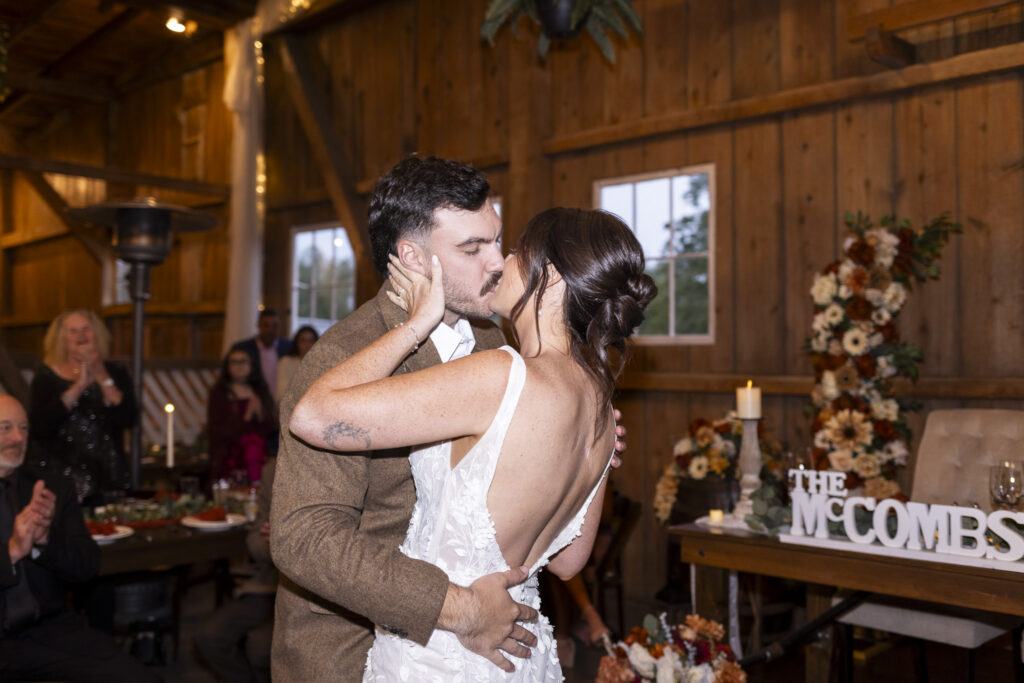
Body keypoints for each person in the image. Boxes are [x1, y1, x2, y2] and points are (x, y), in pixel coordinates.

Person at [290, 206, 655, 680]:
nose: (502, 262)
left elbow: (311, 415)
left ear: (554, 279)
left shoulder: (499, 376)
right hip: (519, 654)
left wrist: (417, 324)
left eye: (519, 251)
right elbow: (569, 560)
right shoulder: (601, 406)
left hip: (442, 656)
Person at [270, 156, 536, 681]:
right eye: (472, 248)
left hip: (472, 646)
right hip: (355, 648)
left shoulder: (488, 338)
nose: (499, 262)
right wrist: (461, 609)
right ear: (413, 258)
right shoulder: (339, 362)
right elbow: (305, 537)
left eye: (496, 239)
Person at [0, 394, 159, 682]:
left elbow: (87, 566)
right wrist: (12, 551)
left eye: (23, 428)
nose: (17, 437)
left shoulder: (51, 487)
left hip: (49, 631)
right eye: (5, 427)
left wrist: (45, 539)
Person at [27, 310, 136, 505]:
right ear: (62, 339)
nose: (81, 335)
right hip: (62, 479)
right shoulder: (46, 376)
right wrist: (79, 387)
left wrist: (101, 374)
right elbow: (40, 427)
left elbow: (128, 417)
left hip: (108, 475)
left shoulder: (116, 372)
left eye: (86, 329)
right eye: (73, 331)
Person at [194, 457, 277, 683]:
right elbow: (254, 540)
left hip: (312, 593)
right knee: (209, 636)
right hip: (270, 585)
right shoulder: (273, 471)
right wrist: (273, 543)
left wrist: (286, 541)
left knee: (260, 647)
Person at [207, 349, 276, 483]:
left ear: (252, 365)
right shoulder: (219, 393)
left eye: (243, 361)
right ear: (227, 367)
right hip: (229, 456)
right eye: (234, 362)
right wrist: (247, 415)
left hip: (257, 456)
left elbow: (270, 427)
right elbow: (218, 430)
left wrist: (261, 414)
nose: (239, 365)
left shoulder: (259, 390)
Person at [231, 310, 292, 399]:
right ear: (259, 325)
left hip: (281, 402)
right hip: (252, 400)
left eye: (274, 326)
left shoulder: (288, 347)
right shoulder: (243, 348)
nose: (270, 330)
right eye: (266, 325)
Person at [274, 326, 318, 403]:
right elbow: (282, 394)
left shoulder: (322, 365)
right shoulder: (286, 362)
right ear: (297, 343)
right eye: (303, 340)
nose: (307, 344)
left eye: (311, 341)